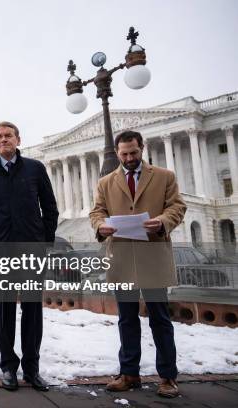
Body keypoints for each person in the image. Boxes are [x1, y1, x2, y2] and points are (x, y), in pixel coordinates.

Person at [89, 130, 186, 398]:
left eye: (133, 152)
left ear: (142, 148)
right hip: (121, 258)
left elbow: (177, 206)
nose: (129, 158)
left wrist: (164, 221)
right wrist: (101, 225)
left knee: (160, 319)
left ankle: (167, 377)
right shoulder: (106, 182)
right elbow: (97, 211)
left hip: (153, 256)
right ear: (118, 154)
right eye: (124, 154)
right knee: (127, 320)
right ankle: (129, 373)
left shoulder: (164, 176)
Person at [0, 121, 58, 392]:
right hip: (0, 249)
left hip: (31, 248)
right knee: (4, 311)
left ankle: (32, 368)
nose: (4, 140)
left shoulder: (35, 169)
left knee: (32, 311)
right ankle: (8, 367)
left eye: (8, 135)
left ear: (18, 139)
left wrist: (45, 241)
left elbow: (50, 207)